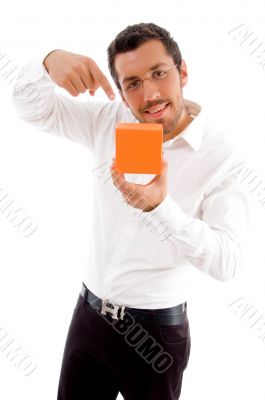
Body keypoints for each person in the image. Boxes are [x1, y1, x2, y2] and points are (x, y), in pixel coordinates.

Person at [12, 22, 251, 400]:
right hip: (88, 317)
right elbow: (28, 105)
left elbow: (229, 262)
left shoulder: (221, 157)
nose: (150, 94)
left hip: (156, 336)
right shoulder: (107, 121)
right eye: (133, 83)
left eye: (159, 73)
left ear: (182, 72)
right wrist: (48, 62)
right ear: (121, 94)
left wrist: (160, 208)